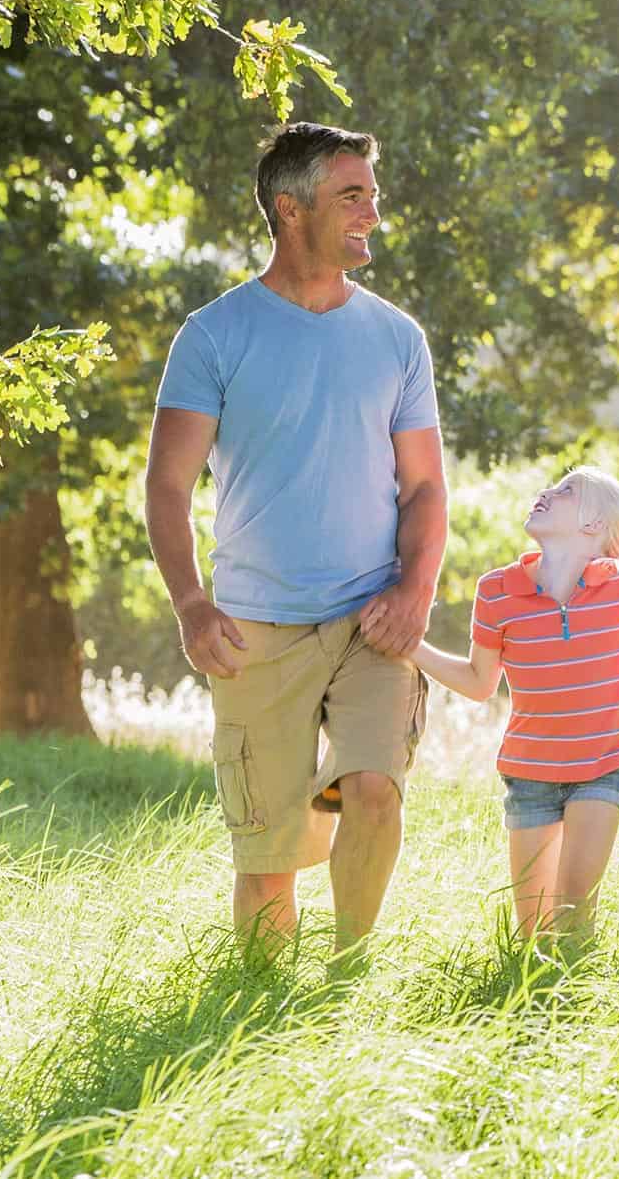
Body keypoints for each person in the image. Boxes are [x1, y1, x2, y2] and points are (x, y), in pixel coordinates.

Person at [145, 122, 445, 964]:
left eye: (372, 196)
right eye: (352, 196)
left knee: (376, 792)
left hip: (371, 617)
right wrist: (191, 603)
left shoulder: (396, 338)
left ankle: (350, 978)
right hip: (254, 628)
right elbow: (168, 485)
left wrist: (415, 590)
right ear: (290, 208)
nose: (373, 215)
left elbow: (424, 487)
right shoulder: (214, 336)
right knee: (269, 862)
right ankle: (267, 1019)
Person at [407, 467, 619, 946]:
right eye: (551, 487)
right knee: (532, 935)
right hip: (529, 774)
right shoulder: (498, 591)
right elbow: (479, 683)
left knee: (575, 907)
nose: (545, 492)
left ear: (593, 528)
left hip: (601, 766)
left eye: (566, 491)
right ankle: (537, 1012)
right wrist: (411, 646)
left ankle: (579, 1006)